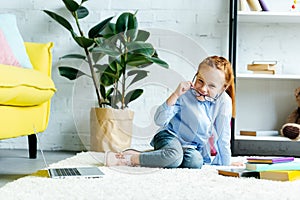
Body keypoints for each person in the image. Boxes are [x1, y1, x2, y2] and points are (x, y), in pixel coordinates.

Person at [106, 55, 241, 168]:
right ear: (196, 75)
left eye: (211, 86)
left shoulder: (224, 102)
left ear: (223, 88)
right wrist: (176, 94)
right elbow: (159, 120)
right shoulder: (186, 94)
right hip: (169, 136)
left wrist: (226, 164)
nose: (203, 89)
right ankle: (129, 158)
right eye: (200, 81)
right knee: (174, 156)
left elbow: (223, 136)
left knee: (195, 163)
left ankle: (160, 156)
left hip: (191, 147)